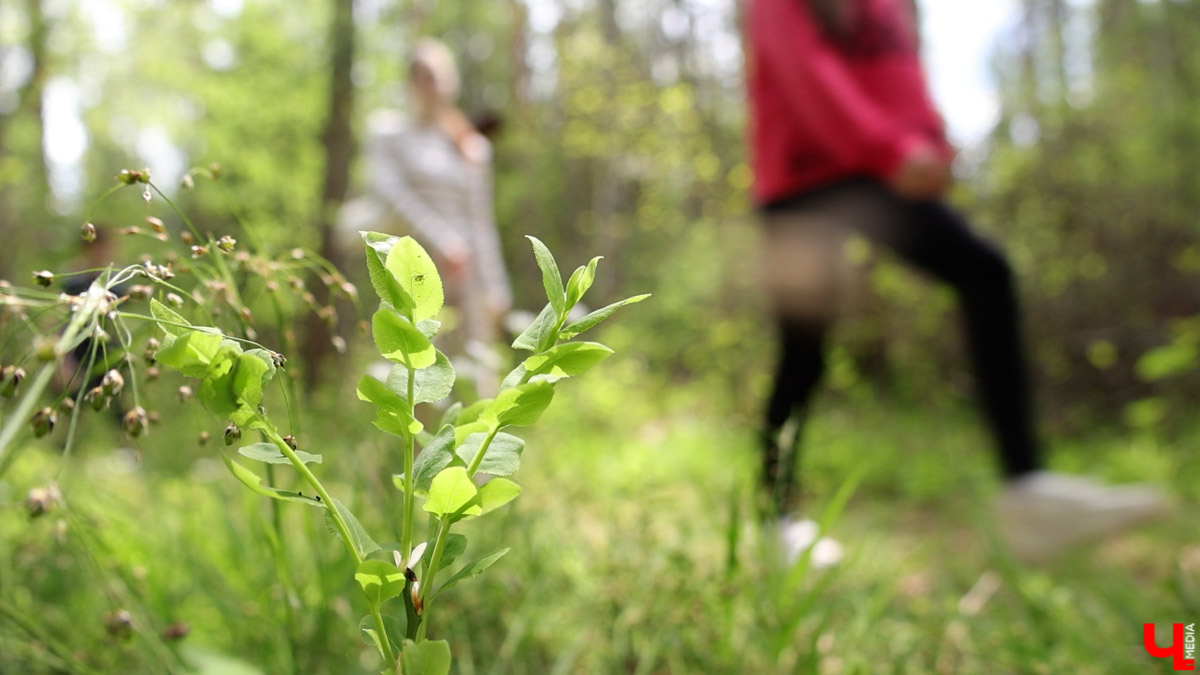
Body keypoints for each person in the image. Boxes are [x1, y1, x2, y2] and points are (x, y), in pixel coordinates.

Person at [745, 0, 1168, 564]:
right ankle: (777, 519)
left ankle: (1027, 492)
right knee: (803, 352)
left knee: (985, 273)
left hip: (880, 169)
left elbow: (902, 74)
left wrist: (933, 143)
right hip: (804, 178)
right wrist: (892, 148)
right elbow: (805, 71)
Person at [349, 38, 511, 394]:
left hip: (465, 273)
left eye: (437, 76)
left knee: (477, 370)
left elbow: (481, 220)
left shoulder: (471, 147)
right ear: (410, 83)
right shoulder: (387, 132)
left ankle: (474, 448)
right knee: (418, 374)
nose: (430, 86)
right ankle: (417, 450)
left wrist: (496, 285)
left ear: (451, 82)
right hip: (410, 267)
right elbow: (392, 194)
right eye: (421, 76)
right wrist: (442, 241)